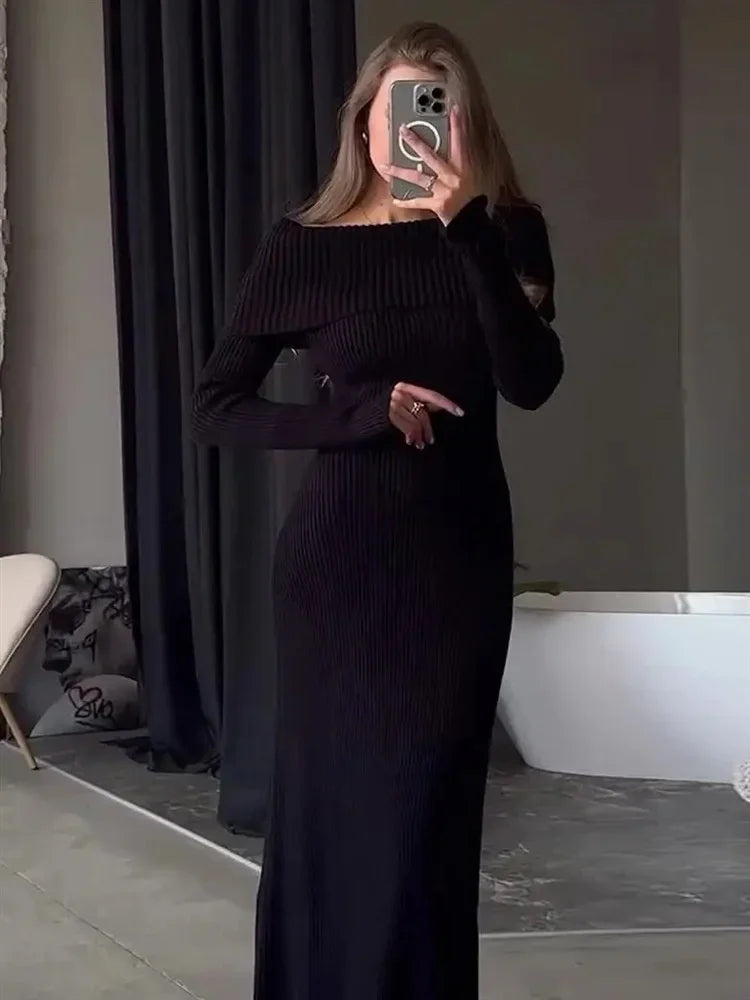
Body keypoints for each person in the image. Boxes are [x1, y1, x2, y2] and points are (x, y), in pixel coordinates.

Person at [192, 20, 563, 1000]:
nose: (415, 130)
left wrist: (466, 229)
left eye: (436, 109)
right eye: (396, 110)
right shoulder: (304, 248)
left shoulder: (505, 230)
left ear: (465, 123)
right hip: (337, 571)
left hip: (455, 569)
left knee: (425, 825)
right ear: (363, 125)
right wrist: (356, 415)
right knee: (335, 824)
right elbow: (215, 406)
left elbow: (531, 381)